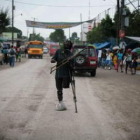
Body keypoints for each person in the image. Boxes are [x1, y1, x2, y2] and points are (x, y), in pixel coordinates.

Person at [51, 40, 73, 111]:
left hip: (66, 74)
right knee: (59, 89)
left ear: (70, 45)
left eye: (68, 44)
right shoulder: (58, 51)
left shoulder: (70, 53)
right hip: (58, 74)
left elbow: (72, 65)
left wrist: (69, 62)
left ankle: (62, 103)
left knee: (65, 87)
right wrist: (53, 60)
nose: (67, 44)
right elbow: (53, 58)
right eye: (66, 43)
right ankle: (60, 102)